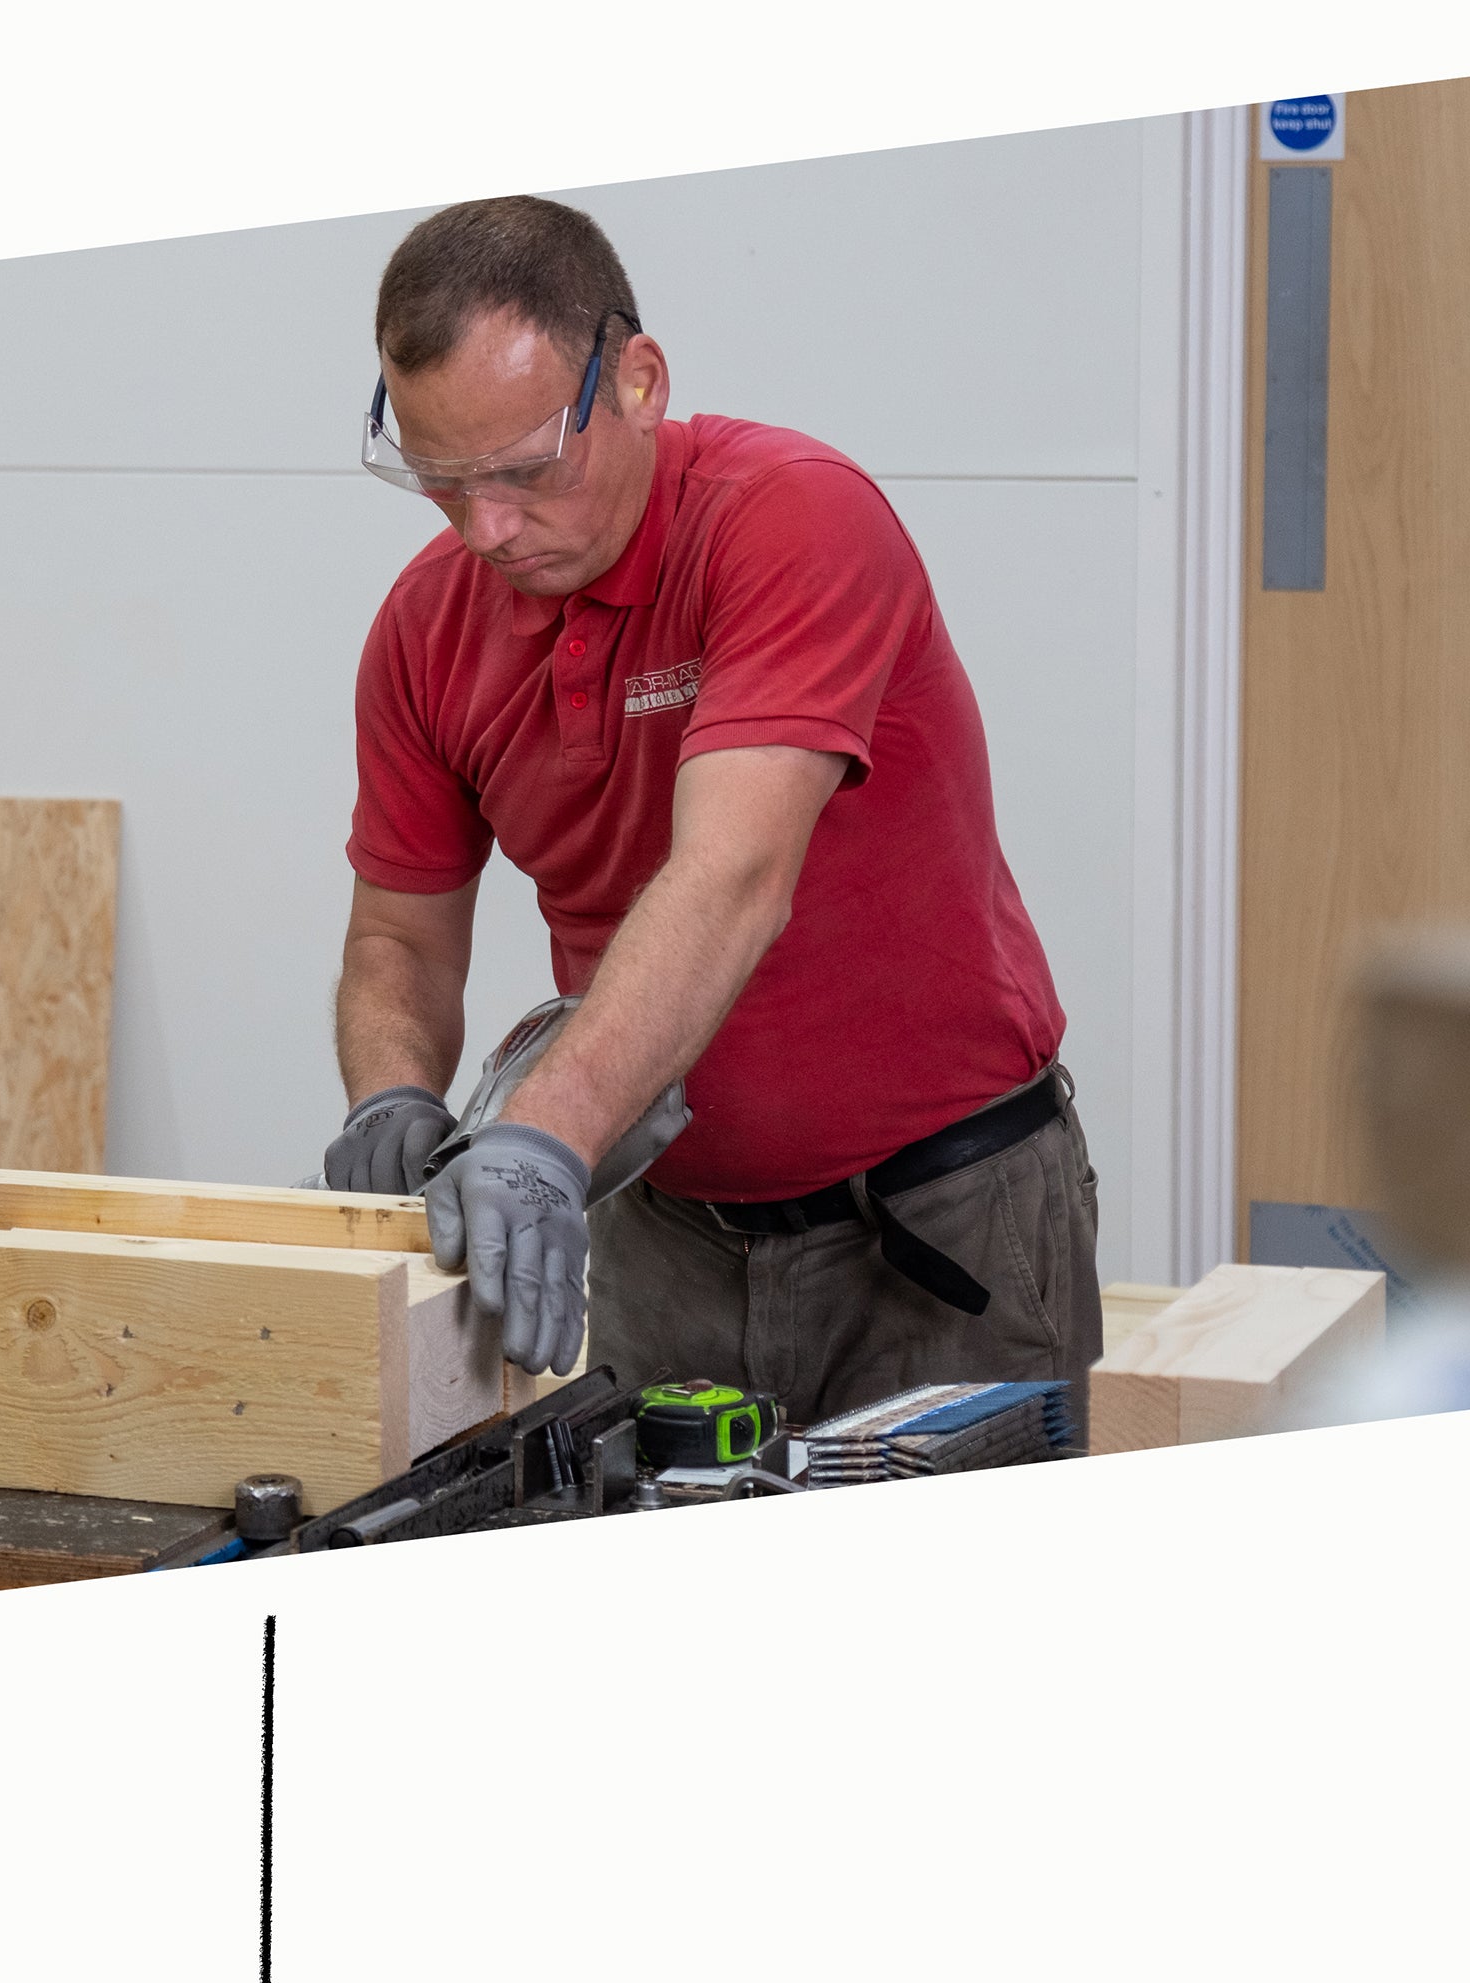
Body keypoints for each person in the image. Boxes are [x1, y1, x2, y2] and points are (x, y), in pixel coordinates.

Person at [317, 195, 1100, 1429]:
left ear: (635, 381)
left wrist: (541, 1132)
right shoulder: (424, 629)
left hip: (932, 1224)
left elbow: (730, 873)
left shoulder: (788, 517)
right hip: (656, 1231)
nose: (487, 530)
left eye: (524, 471)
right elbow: (397, 939)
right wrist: (391, 1091)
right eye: (439, 483)